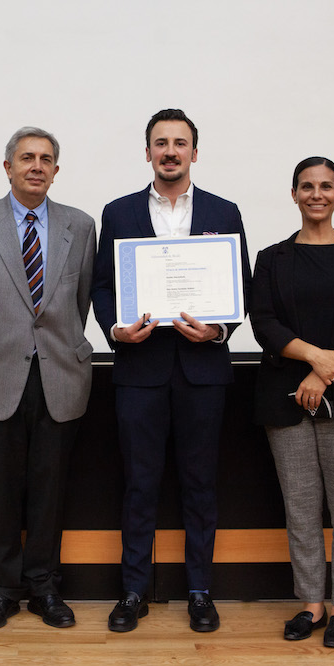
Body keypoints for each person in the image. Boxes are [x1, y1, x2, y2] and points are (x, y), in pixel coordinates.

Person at [91, 108, 251, 633]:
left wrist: (218, 331)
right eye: (161, 143)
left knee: (200, 484)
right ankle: (134, 590)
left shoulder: (223, 211)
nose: (170, 151)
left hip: (203, 371)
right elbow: (102, 285)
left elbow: (239, 288)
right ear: (147, 153)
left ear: (195, 153)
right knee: (139, 484)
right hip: (139, 370)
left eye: (180, 143)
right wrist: (116, 329)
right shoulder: (117, 212)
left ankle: (200, 591)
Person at [0, 126, 96, 630]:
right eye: (27, 157)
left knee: (49, 490)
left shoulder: (81, 225)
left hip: (60, 375)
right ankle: (3, 589)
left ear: (57, 170)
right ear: (7, 166)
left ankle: (44, 588)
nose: (37, 165)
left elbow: (79, 306)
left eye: (46, 159)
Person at [249, 157, 334, 648]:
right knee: (301, 507)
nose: (316, 194)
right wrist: (313, 359)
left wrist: (325, 373)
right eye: (307, 186)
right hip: (285, 399)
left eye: (325, 186)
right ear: (293, 195)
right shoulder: (271, 258)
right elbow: (263, 321)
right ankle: (311, 602)